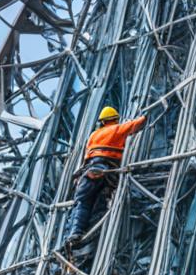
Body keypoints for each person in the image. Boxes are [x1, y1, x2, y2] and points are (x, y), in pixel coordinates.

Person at [61, 105, 147, 251]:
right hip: (108, 171)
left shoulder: (93, 135)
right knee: (101, 202)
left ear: (102, 121)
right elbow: (137, 124)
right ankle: (93, 232)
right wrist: (146, 115)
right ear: (114, 119)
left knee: (83, 202)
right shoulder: (116, 129)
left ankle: (75, 232)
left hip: (89, 172)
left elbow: (86, 158)